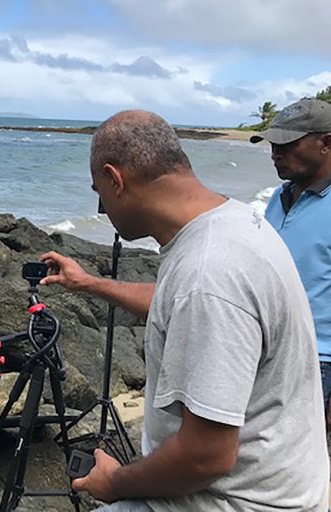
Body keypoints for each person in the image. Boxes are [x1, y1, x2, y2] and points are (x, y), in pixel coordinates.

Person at [40, 110, 328, 510]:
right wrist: (89, 282)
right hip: (278, 484)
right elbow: (177, 303)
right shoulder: (231, 221)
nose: (102, 209)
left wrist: (115, 482)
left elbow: (205, 455)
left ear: (115, 179)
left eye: (98, 191)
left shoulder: (210, 271)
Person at [249, 98, 331, 428]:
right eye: (272, 144)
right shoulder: (278, 198)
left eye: (288, 143)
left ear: (326, 143)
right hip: (267, 349)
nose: (275, 153)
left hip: (317, 360)